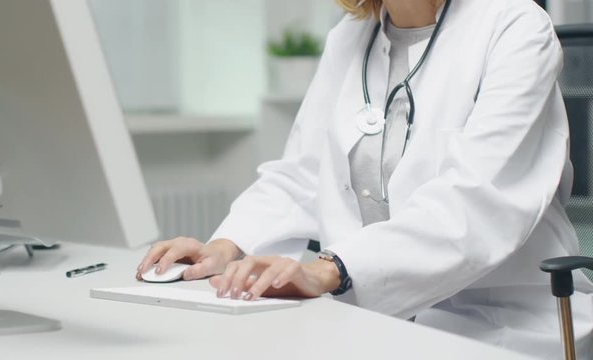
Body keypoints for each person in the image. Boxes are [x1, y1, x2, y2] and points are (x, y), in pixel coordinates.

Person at [137, 0, 593, 358]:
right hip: (376, 320)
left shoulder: (514, 27)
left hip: (500, 321)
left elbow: (474, 205)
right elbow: (302, 173)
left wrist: (330, 270)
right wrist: (226, 246)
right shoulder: (351, 38)